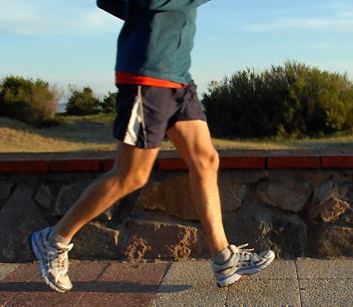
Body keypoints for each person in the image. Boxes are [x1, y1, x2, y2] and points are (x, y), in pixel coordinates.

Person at [29, 0, 275, 292]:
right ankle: (53, 240)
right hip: (147, 76)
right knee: (131, 175)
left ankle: (224, 259)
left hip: (178, 78)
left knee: (206, 160)